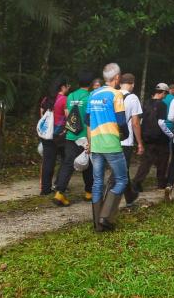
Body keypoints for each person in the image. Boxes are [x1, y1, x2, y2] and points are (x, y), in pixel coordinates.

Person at [86, 63, 129, 231]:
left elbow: (88, 122)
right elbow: (121, 121)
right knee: (122, 179)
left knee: (97, 182)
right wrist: (125, 135)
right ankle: (106, 216)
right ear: (117, 77)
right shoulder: (116, 94)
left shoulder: (93, 94)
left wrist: (90, 142)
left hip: (96, 144)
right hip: (111, 144)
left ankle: (97, 224)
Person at [53, 72, 94, 206]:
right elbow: (91, 119)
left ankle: (59, 193)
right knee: (88, 165)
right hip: (84, 137)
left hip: (71, 135)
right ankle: (89, 193)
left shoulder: (70, 96)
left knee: (67, 163)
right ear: (91, 83)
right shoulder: (90, 97)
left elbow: (67, 113)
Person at [133, 84, 173, 191]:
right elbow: (161, 123)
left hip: (147, 137)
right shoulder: (162, 105)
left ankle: (137, 182)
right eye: (166, 93)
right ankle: (161, 183)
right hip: (160, 138)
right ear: (163, 93)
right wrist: (171, 135)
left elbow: (141, 121)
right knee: (163, 160)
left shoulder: (146, 103)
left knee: (146, 162)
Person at [39, 76, 70, 196]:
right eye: (67, 86)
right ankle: (59, 184)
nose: (68, 88)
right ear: (62, 87)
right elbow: (68, 117)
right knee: (66, 159)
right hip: (59, 135)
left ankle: (45, 189)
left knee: (48, 161)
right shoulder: (64, 100)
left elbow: (42, 115)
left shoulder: (46, 99)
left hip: (46, 134)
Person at [119, 73, 145, 207]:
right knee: (122, 172)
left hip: (111, 139)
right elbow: (135, 123)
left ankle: (129, 196)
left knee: (122, 171)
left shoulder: (113, 95)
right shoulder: (133, 98)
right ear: (132, 83)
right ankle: (111, 202)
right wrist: (140, 143)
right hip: (125, 140)